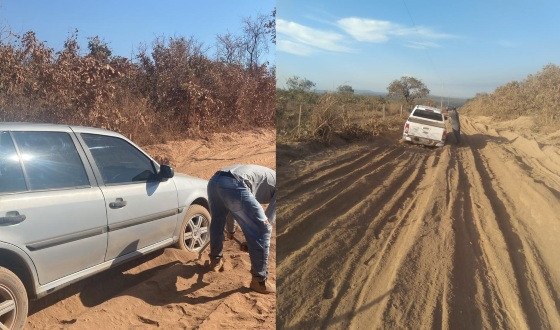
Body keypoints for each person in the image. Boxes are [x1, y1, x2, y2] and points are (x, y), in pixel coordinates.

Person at [207, 164, 276, 294]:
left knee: (217, 221)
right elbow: (267, 221)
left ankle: (215, 261)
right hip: (235, 183)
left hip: (215, 180)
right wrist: (252, 240)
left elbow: (231, 205)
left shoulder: (268, 176)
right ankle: (260, 281)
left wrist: (231, 230)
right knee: (264, 230)